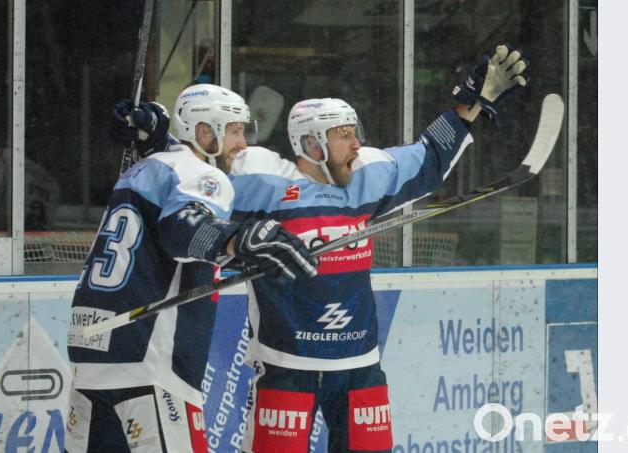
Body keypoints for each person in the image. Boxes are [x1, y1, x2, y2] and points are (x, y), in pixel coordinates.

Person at [228, 44, 529, 452]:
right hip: (287, 362)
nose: (355, 143)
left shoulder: (366, 178)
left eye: (355, 133)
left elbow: (428, 158)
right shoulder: (263, 183)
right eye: (342, 135)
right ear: (312, 144)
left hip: (359, 365)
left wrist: (468, 106)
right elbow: (196, 198)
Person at [64, 84, 318, 453]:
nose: (242, 144)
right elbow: (183, 229)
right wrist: (239, 239)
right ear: (203, 132)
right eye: (233, 131)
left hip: (91, 347)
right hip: (148, 359)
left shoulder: (144, 169)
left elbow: (165, 244)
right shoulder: (204, 175)